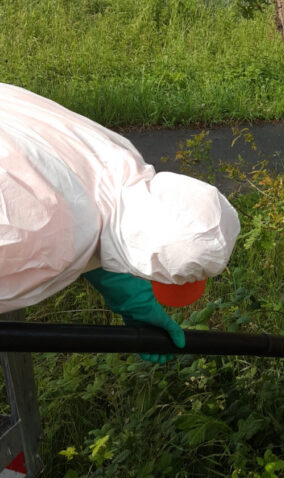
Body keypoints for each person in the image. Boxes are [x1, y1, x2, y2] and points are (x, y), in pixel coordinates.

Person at [0, 83, 240, 363]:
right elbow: (59, 230)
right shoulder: (39, 227)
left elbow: (92, 217)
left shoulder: (117, 159)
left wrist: (134, 301)